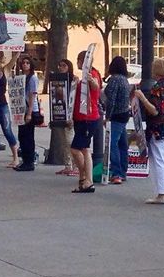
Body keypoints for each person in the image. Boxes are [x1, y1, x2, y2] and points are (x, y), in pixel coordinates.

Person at [134, 58, 164, 204]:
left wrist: (142, 98)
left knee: (159, 160)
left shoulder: (156, 89)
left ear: (156, 71)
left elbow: (154, 111)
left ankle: (161, 194)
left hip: (159, 128)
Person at [70, 50, 102, 193]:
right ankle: (85, 179)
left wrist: (91, 81)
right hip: (81, 116)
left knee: (76, 149)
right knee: (84, 149)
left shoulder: (92, 74)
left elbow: (96, 87)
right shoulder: (82, 77)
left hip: (87, 117)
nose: (77, 63)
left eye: (78, 60)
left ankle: (86, 178)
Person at [103, 56, 132, 184]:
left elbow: (111, 100)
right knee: (122, 144)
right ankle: (123, 170)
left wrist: (107, 116)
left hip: (116, 115)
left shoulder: (114, 80)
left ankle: (117, 173)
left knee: (113, 144)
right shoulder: (125, 80)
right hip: (125, 113)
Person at [14, 55, 41, 172]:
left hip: (29, 109)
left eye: (27, 63)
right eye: (23, 63)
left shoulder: (32, 78)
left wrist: (29, 113)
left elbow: (32, 96)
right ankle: (25, 160)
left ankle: (29, 162)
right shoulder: (21, 77)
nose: (25, 65)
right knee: (22, 136)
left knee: (28, 137)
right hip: (21, 109)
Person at [52, 58, 79, 177]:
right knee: (63, 141)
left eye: (63, 66)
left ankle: (76, 165)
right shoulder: (57, 80)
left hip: (70, 114)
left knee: (70, 140)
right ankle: (68, 165)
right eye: (59, 65)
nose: (61, 68)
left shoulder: (73, 80)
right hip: (61, 113)